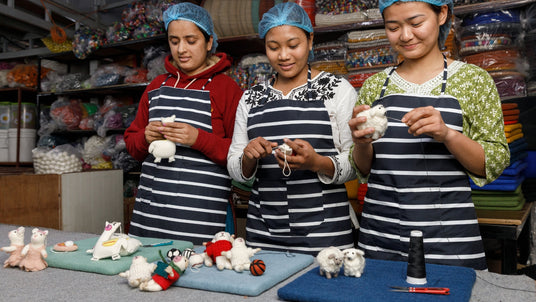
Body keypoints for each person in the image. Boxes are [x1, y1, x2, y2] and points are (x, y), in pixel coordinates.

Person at [348, 0, 509, 270]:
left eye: (415, 23)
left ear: (442, 13)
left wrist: (448, 134)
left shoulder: (474, 81)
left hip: (451, 242)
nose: (406, 36)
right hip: (381, 237)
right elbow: (363, 169)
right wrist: (361, 143)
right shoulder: (375, 85)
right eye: (393, 27)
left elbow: (492, 162)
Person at [227, 2, 358, 255]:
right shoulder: (251, 98)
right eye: (273, 47)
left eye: (293, 45)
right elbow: (234, 166)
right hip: (264, 233)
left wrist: (316, 162)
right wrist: (248, 158)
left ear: (310, 40)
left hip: (327, 234)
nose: (283, 56)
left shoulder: (337, 90)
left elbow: (356, 163)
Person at [124, 2, 243, 245]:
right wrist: (145, 137)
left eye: (191, 40)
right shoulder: (156, 87)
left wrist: (198, 139)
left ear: (209, 42)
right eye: (174, 41)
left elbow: (240, 156)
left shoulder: (225, 89)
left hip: (202, 214)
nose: (181, 49)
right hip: (152, 214)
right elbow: (132, 146)